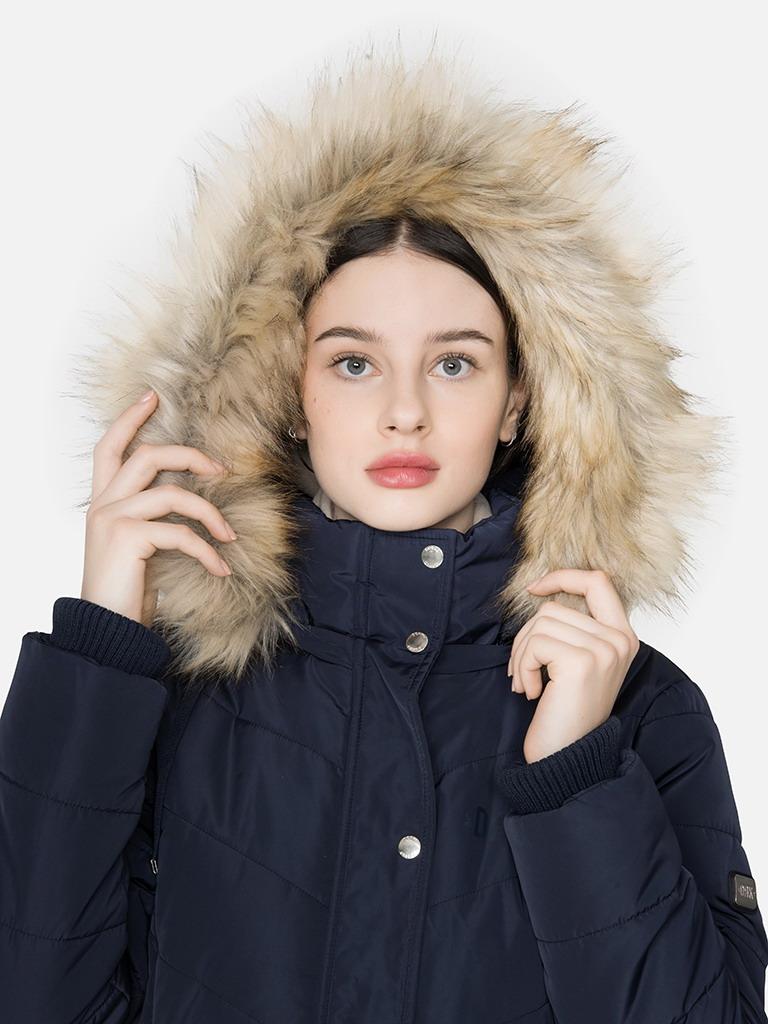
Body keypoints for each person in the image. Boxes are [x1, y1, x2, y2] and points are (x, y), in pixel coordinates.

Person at [1, 43, 766, 1024]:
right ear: (290, 393)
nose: (405, 412)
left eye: (455, 364)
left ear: (520, 400)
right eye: (354, 364)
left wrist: (575, 771)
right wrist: (105, 648)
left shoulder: (636, 710)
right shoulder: (179, 693)